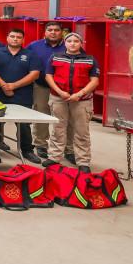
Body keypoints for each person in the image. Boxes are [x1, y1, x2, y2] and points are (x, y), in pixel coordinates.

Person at [42, 32, 100, 173]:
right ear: (65, 43)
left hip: (82, 101)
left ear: (81, 43)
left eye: (76, 41)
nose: (72, 43)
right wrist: (60, 92)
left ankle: (83, 161)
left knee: (82, 131)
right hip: (58, 98)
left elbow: (95, 81)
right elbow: (48, 76)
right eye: (69, 41)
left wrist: (79, 94)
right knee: (58, 129)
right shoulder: (55, 57)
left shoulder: (90, 59)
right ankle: (54, 157)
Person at [0, 28, 42, 164]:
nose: (15, 39)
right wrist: (3, 85)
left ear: (23, 40)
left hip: (23, 95)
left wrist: (13, 86)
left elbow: (35, 74)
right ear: (7, 38)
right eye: (13, 36)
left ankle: (26, 150)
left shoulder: (30, 55)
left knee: (24, 125)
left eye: (18, 37)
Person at [27, 21, 74, 162]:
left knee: (65, 119)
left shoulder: (69, 45)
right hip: (41, 87)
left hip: (63, 90)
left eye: (56, 30)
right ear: (45, 32)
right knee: (41, 115)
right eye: (50, 30)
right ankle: (40, 144)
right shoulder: (34, 46)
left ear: (61, 32)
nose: (53, 32)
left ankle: (68, 149)